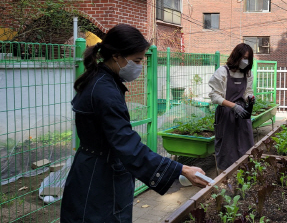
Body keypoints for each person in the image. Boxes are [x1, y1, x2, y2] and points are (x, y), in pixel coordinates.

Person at [60, 24, 208, 222]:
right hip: (99, 178)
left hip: (96, 168)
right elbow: (127, 144)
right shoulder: (105, 91)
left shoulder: (102, 80)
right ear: (117, 56)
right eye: (137, 60)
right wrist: (182, 169)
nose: (140, 66)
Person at [208, 43, 255, 171]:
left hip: (242, 115)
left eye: (248, 59)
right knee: (226, 148)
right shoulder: (223, 72)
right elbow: (214, 96)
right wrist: (233, 106)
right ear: (236, 56)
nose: (246, 61)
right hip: (225, 115)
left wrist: (249, 98)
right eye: (243, 57)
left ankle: (244, 174)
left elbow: (247, 92)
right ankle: (224, 178)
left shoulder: (247, 73)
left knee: (245, 144)